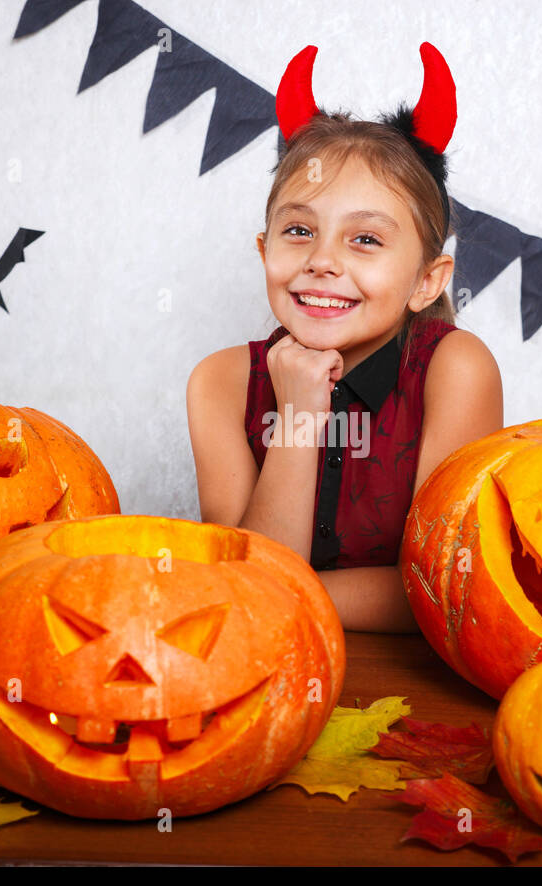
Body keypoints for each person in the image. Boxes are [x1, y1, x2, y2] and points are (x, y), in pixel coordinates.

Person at [186, 44, 503, 633]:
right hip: (263, 669)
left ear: (425, 280)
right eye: (300, 230)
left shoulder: (456, 369)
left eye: (365, 240)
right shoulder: (220, 384)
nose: (323, 261)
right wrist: (301, 410)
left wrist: (281, 592)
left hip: (407, 689)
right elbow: (243, 580)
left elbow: (438, 586)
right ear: (265, 251)